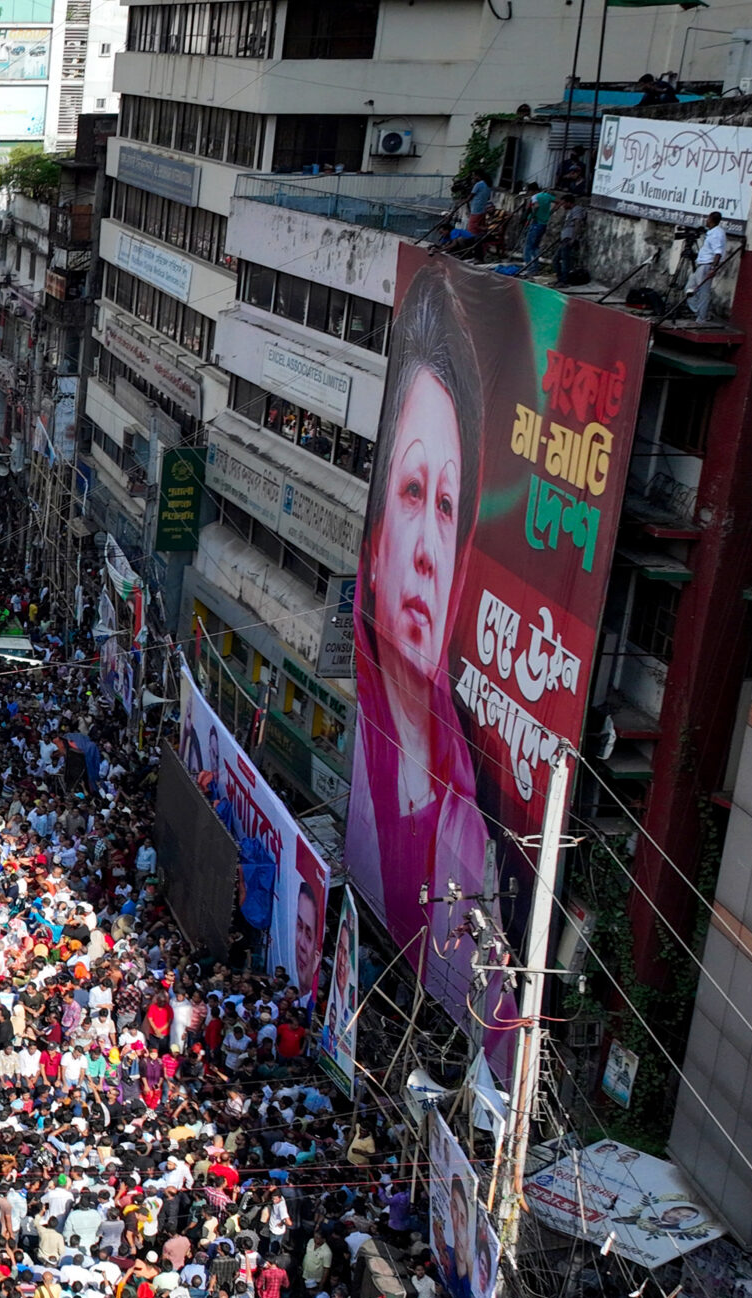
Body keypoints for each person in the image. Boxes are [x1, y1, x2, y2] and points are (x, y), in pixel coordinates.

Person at [346, 261, 499, 1047]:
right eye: (411, 494)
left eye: (447, 506)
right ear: (374, 547)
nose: (430, 549)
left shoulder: (480, 852)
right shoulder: (361, 798)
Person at [688, 210, 729, 322]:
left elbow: (718, 252)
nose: (706, 221)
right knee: (689, 289)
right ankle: (699, 311)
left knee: (703, 292)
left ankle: (702, 317)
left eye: (708, 219)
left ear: (711, 220)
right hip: (702, 264)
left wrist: (713, 268)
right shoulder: (712, 232)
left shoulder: (717, 234)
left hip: (707, 265)